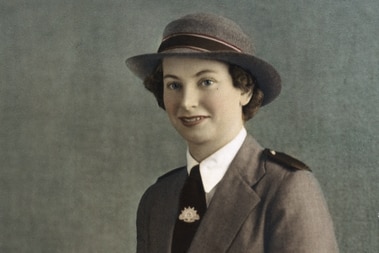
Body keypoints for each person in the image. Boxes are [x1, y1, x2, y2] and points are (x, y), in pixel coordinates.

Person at [126, 13, 339, 253]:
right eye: (174, 85)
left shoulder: (285, 187)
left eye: (206, 82)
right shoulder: (157, 199)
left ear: (244, 90)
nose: (186, 102)